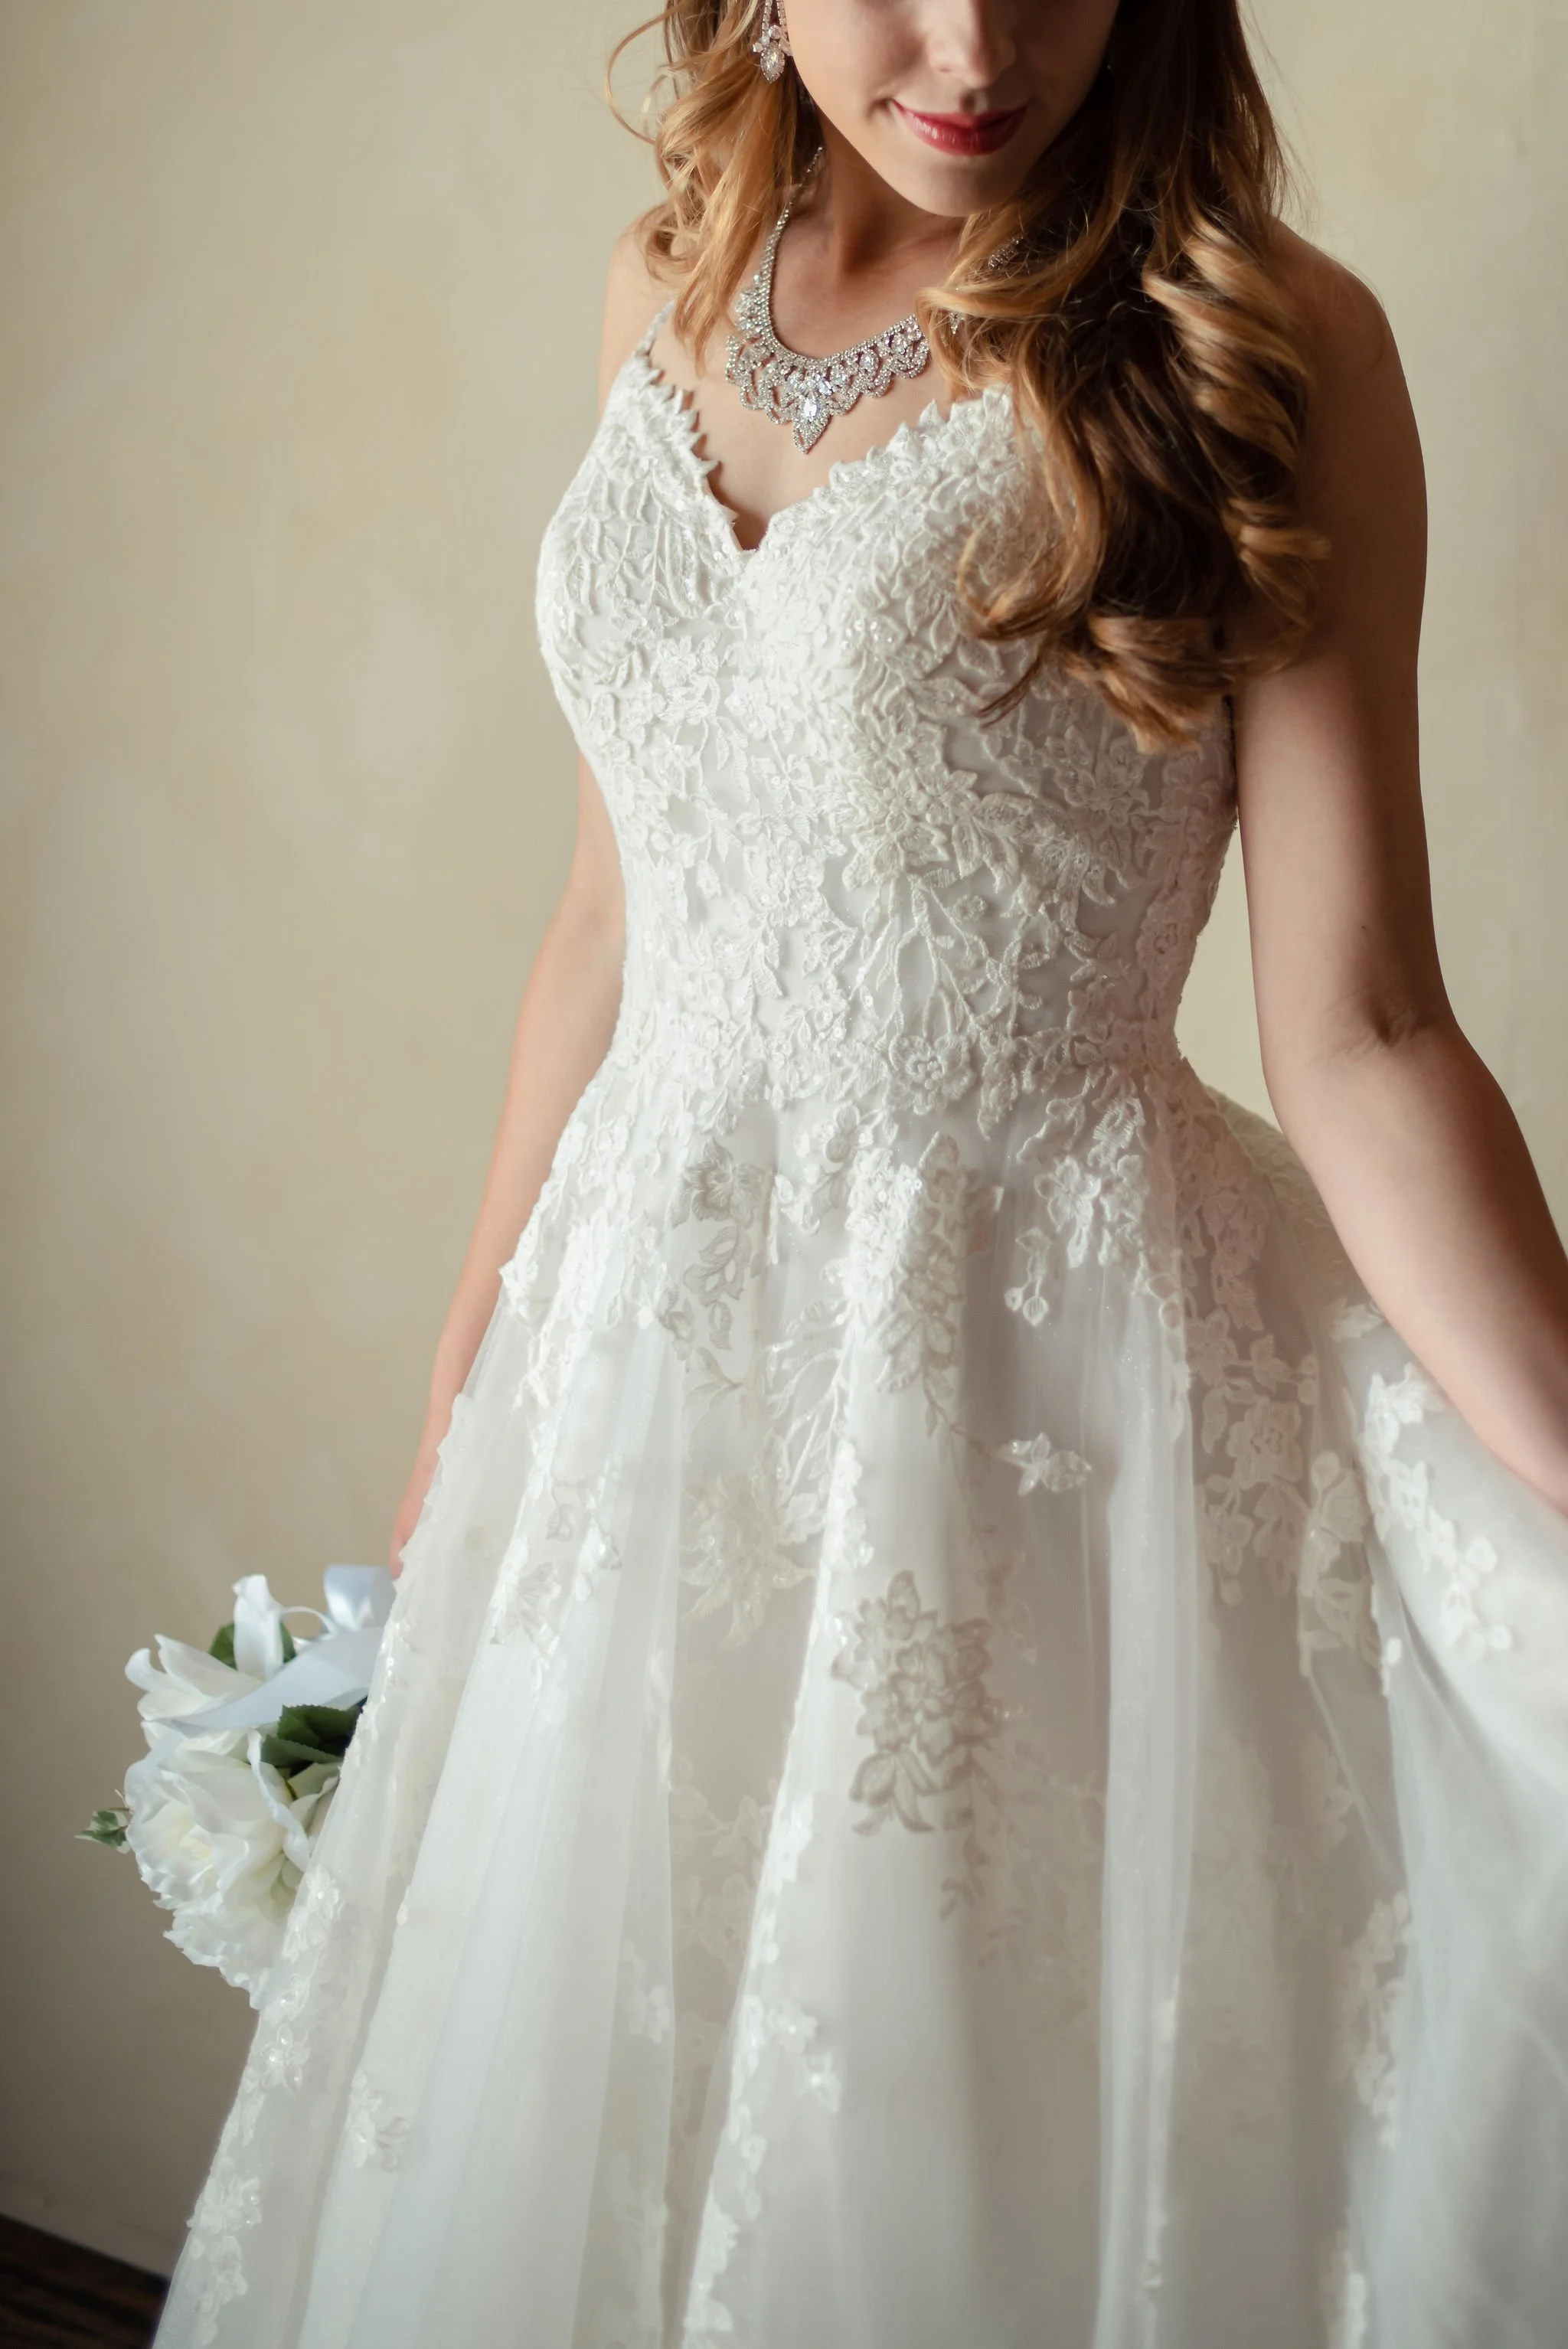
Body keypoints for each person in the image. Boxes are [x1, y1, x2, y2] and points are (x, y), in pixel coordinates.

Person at [152, 3, 1568, 2344]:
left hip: (1022, 1399)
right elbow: (610, 914)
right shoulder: (663, 278)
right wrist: (468, 1369)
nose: (979, 45)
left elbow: (1366, 1028)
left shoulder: (1261, 338)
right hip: (641, 1376)